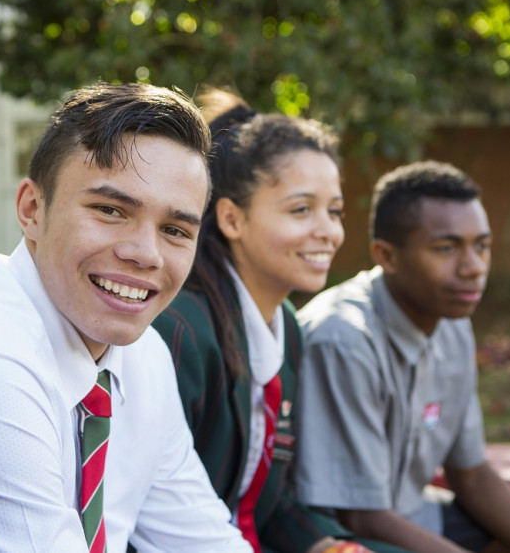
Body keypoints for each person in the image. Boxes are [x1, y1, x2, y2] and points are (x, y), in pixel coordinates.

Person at [0, 81, 252, 552]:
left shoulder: (143, 357)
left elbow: (201, 538)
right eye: (110, 210)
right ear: (33, 209)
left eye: (175, 230)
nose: (145, 254)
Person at [151, 89, 405, 553]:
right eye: (301, 209)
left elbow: (272, 499)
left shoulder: (285, 325)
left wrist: (327, 546)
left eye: (334, 211)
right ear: (231, 218)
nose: (328, 231)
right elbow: (149, 508)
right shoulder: (179, 328)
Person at [294, 162, 510, 553]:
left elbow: (471, 473)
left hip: (411, 515)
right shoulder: (345, 341)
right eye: (447, 247)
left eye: (482, 246)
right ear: (386, 256)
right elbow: (359, 515)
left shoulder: (452, 323)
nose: (474, 267)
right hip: (338, 537)